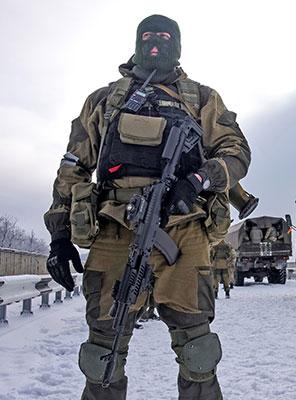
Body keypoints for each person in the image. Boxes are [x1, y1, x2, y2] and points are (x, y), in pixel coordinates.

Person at [43, 14, 250, 400]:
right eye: (148, 36)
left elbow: (236, 152)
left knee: (198, 350)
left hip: (184, 228)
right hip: (114, 229)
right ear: (137, 42)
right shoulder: (104, 100)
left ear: (178, 46)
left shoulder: (202, 99)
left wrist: (198, 180)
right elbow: (73, 166)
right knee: (102, 353)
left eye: (165, 36)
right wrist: (59, 236)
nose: (156, 43)